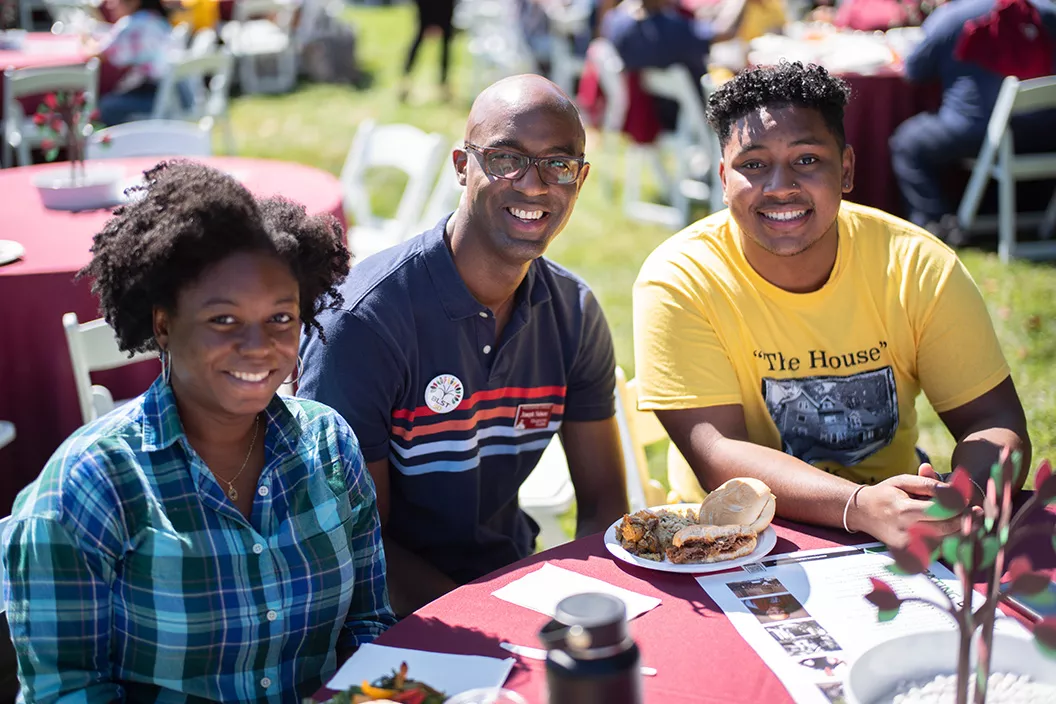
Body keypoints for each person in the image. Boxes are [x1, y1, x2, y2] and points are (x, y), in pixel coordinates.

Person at [2, 161, 395, 703]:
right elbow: (66, 692)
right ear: (163, 324)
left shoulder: (330, 445)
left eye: (280, 318)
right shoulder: (88, 488)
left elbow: (368, 626)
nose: (258, 345)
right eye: (223, 320)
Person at [632, 62, 1031, 550]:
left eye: (806, 160)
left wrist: (964, 499)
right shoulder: (680, 278)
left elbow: (992, 419)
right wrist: (858, 506)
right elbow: (717, 452)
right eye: (753, 164)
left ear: (845, 170)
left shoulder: (917, 264)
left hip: (893, 529)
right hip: (729, 538)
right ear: (722, 177)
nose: (779, 186)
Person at [300, 75, 630, 617]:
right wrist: (497, 623)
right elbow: (359, 546)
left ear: (580, 178)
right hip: (379, 619)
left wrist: (580, 611)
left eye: (559, 164)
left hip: (516, 584)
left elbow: (602, 504)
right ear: (461, 166)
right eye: (506, 158)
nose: (534, 184)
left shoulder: (573, 311)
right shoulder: (362, 323)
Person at [890, 0, 1056, 238]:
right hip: (1045, 129)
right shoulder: (1045, 12)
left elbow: (915, 70)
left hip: (974, 130)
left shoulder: (951, 17)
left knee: (907, 142)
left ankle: (935, 225)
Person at [601, 0, 749, 129]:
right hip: (692, 112)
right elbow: (725, 32)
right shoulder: (671, 31)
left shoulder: (617, 22)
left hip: (651, 113)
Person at [91, 0, 177, 125]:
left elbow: (100, 53)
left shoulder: (131, 24)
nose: (110, 5)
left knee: (106, 106)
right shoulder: (157, 20)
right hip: (170, 96)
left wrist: (86, 42)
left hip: (153, 97)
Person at [399, 0, 456, 102]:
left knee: (445, 48)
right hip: (426, 7)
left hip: (445, 8)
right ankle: (405, 81)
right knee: (418, 43)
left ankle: (444, 84)